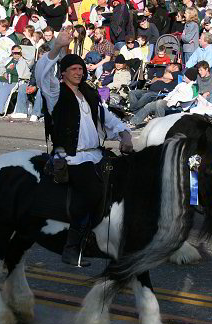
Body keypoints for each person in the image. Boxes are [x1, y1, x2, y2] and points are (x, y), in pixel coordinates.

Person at [35, 31, 133, 266]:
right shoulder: (55, 93)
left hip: (96, 154)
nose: (78, 72)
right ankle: (73, 246)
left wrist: (125, 134)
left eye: (80, 69)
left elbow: (108, 118)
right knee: (91, 191)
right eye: (73, 70)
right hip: (71, 158)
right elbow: (41, 75)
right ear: (64, 73)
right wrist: (57, 47)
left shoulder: (89, 94)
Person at [128, 67, 199, 128]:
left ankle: (158, 125)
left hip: (177, 105)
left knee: (159, 103)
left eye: (185, 76)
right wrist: (167, 98)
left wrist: (176, 102)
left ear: (190, 77)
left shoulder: (192, 87)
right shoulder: (182, 84)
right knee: (149, 106)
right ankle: (134, 122)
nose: (183, 76)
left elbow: (188, 98)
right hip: (169, 101)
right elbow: (172, 92)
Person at [0, 45, 31, 118]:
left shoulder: (25, 61)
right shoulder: (8, 59)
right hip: (3, 79)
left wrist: (22, 51)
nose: (16, 54)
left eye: (18, 53)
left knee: (3, 90)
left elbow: (31, 57)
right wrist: (4, 73)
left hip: (14, 81)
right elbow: (0, 66)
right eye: (14, 53)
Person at [10, 44, 49, 121]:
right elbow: (33, 76)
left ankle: (36, 114)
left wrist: (36, 87)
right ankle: (21, 112)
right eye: (41, 54)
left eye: (45, 54)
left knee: (40, 91)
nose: (42, 56)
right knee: (23, 87)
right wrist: (30, 85)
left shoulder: (52, 64)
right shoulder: (37, 63)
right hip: (36, 85)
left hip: (46, 86)